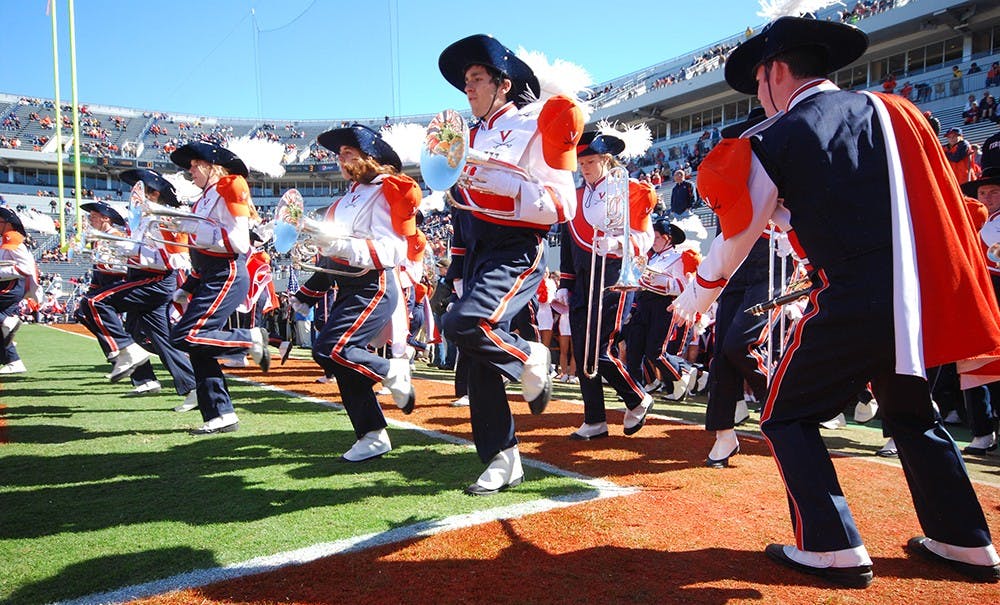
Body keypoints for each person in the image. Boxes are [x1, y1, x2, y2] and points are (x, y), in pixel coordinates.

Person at [675, 15, 1000, 586]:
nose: (758, 95)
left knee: (784, 414)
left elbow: (737, 234)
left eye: (758, 80)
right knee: (911, 415)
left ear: (775, 71)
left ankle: (832, 546)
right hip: (914, 294)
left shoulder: (776, 137)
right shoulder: (895, 110)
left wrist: (698, 291)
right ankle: (966, 542)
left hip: (851, 292)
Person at [437, 34, 583, 494]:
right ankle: (503, 457)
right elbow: (465, 215)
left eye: (476, 79)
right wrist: (453, 270)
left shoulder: (535, 124)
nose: (468, 89)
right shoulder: (467, 136)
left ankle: (530, 355)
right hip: (480, 249)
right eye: (465, 82)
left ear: (503, 83)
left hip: (517, 246)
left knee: (465, 325)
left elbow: (563, 204)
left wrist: (501, 189)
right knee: (477, 360)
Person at [290, 124, 419, 461]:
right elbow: (332, 256)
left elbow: (393, 251)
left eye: (349, 153)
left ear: (370, 156)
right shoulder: (344, 201)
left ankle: (393, 371)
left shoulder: (388, 189)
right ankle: (372, 434)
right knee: (335, 357)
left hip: (373, 285)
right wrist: (306, 293)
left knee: (332, 349)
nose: (342, 160)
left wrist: (342, 245)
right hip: (349, 287)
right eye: (340, 155)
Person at [554, 130, 656, 440]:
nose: (585, 167)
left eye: (591, 161)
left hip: (614, 276)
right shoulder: (574, 196)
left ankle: (637, 397)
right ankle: (594, 419)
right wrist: (565, 283)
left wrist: (615, 244)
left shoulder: (629, 189)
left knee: (599, 352)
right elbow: (570, 247)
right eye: (581, 162)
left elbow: (645, 238)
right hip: (583, 281)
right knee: (584, 351)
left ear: (605, 159)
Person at [169, 141, 271, 435]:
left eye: (193, 165)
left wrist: (191, 228)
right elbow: (201, 253)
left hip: (226, 272)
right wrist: (188, 287)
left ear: (209, 164)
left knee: (187, 335)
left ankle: (251, 339)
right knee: (199, 348)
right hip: (211, 274)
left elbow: (239, 242)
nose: (190, 171)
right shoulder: (203, 198)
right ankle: (220, 414)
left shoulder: (230, 185)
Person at [625, 218, 698, 400]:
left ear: (667, 238)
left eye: (656, 237)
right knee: (634, 349)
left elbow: (685, 286)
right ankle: (635, 391)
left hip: (663, 306)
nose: (653, 241)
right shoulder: (649, 257)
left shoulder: (679, 257)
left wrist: (666, 283)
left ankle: (686, 371)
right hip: (644, 304)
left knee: (655, 351)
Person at [959, 133, 1000, 455]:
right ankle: (982, 429)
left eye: (993, 191)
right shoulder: (972, 217)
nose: (986, 196)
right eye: (983, 191)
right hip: (980, 294)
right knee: (977, 364)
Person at [0, 207, 41, 374]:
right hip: (8, 285)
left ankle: (6, 322)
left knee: (2, 323)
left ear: (7, 224)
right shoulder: (5, 240)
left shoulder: (13, 239)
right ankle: (13, 360)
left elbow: (26, 268)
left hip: (10, 286)